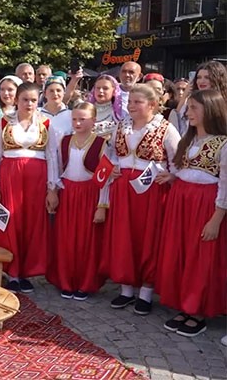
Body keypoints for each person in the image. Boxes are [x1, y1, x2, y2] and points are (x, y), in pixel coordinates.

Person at [102, 84, 180, 316]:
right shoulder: (121, 126)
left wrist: (172, 175)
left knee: (148, 237)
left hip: (152, 191)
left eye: (137, 102)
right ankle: (126, 288)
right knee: (124, 236)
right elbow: (111, 155)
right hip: (124, 189)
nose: (132, 106)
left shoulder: (166, 129)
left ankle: (146, 291)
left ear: (152, 105)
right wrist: (113, 169)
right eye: (130, 101)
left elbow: (177, 160)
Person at [155, 89, 226, 337]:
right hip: (181, 200)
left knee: (200, 256)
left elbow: (224, 184)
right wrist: (174, 176)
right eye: (189, 107)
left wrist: (217, 218)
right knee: (181, 252)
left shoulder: (223, 144)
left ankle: (198, 310)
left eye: (194, 107)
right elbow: (188, 170)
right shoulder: (189, 139)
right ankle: (184, 304)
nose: (189, 112)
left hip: (204, 204)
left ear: (211, 110)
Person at [0, 82, 59, 293]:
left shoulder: (47, 122)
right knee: (10, 222)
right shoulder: (4, 122)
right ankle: (12, 272)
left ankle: (27, 272)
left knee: (32, 223)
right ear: (16, 100)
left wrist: (52, 188)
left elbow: (52, 156)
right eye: (25, 99)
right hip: (10, 178)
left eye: (33, 100)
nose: (29, 104)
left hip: (37, 181)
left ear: (39, 101)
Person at [46, 103, 108, 300]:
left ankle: (85, 283)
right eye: (74, 119)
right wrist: (53, 191)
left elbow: (105, 178)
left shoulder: (101, 143)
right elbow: (55, 167)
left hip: (90, 195)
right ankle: (66, 280)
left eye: (83, 119)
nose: (78, 122)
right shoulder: (64, 141)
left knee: (86, 241)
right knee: (65, 239)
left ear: (94, 120)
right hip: (68, 193)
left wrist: (102, 205)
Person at [170, 62, 227, 135]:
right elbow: (177, 122)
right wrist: (185, 96)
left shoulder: (223, 103)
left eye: (207, 77)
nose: (201, 81)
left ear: (217, 79)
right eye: (199, 77)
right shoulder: (191, 101)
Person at [86, 74, 122, 139]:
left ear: (114, 91)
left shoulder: (119, 113)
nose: (101, 91)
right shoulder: (86, 110)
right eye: (98, 88)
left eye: (105, 88)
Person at [39, 75, 72, 140]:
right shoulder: (37, 114)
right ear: (45, 93)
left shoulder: (71, 115)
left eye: (58, 90)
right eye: (51, 91)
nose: (55, 94)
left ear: (64, 92)